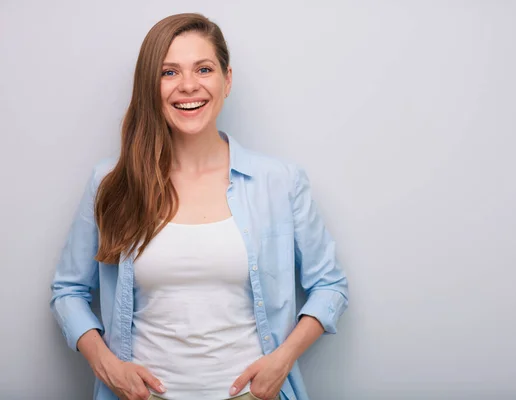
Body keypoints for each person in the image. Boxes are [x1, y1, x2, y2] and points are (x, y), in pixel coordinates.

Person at [50, 12, 348, 400]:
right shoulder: (111, 182)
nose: (188, 86)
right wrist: (105, 363)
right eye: (169, 72)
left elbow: (330, 286)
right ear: (149, 86)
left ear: (226, 80)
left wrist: (283, 359)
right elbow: (68, 290)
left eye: (203, 69)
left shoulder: (280, 182)